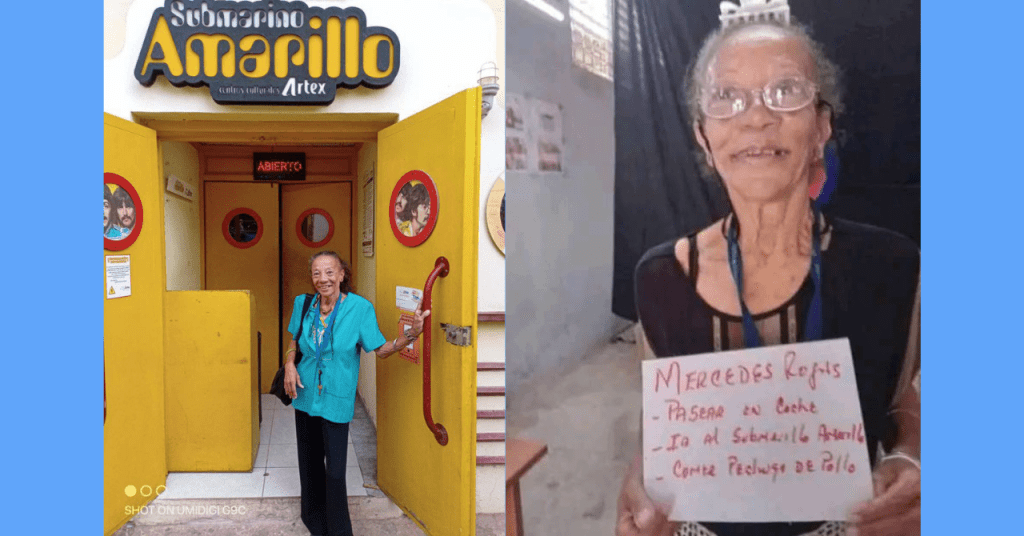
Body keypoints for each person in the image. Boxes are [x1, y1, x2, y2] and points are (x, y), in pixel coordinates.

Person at [617, 19, 920, 536]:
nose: (756, 117)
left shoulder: (889, 267)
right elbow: (661, 422)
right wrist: (641, 480)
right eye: (728, 97)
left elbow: (901, 405)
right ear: (704, 137)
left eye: (785, 91)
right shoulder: (660, 278)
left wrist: (914, 461)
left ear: (821, 127)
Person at [283, 251, 429, 536]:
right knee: (309, 462)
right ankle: (313, 520)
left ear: (341, 275)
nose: (322, 279)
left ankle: (338, 530)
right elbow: (293, 340)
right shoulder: (303, 304)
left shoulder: (360, 309)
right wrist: (289, 363)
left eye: (329, 272)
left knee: (335, 471)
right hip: (304, 393)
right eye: (316, 273)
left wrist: (412, 334)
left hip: (337, 397)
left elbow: (382, 350)